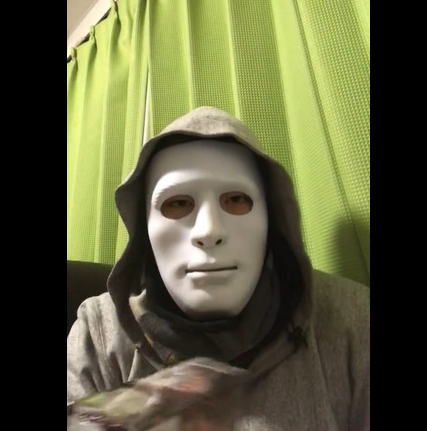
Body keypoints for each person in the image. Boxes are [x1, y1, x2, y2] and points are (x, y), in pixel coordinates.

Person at [67, 106, 370, 429]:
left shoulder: (353, 321)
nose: (209, 231)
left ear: (271, 219)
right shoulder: (98, 334)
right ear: (145, 228)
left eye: (236, 199)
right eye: (178, 203)